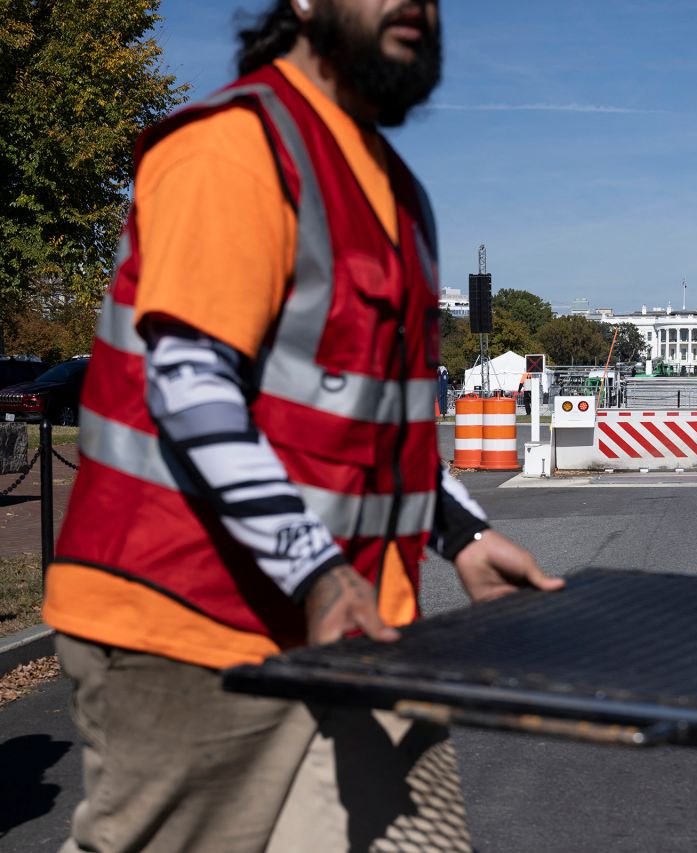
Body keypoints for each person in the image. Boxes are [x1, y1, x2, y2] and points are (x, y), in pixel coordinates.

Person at [43, 2, 562, 850]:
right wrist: (315, 572)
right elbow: (193, 389)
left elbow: (367, 424)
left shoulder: (398, 193)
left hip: (356, 626)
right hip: (191, 625)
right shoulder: (234, 147)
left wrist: (462, 532)